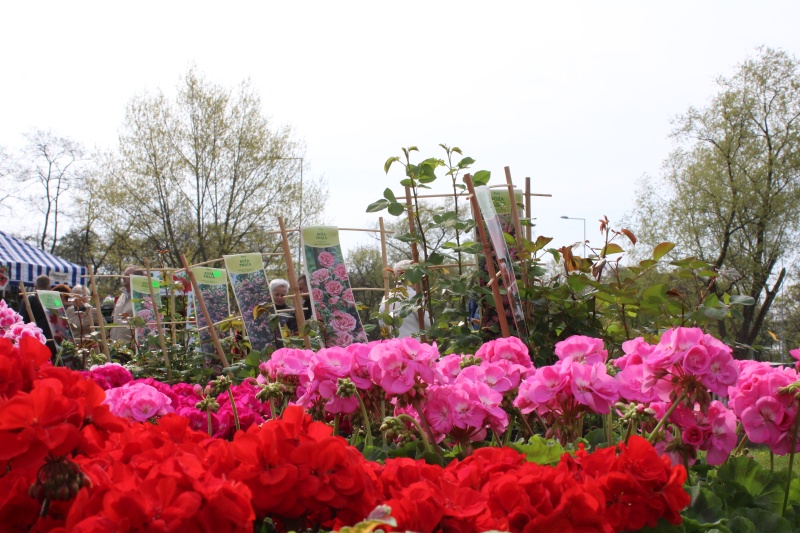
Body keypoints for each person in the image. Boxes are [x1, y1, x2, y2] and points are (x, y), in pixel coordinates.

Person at [379, 260, 431, 338]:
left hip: (392, 343)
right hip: (413, 343)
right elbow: (428, 323)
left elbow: (382, 325)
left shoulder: (386, 297)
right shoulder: (415, 296)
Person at [18, 274, 56, 358]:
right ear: (49, 287)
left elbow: (21, 320)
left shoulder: (29, 299)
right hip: (51, 339)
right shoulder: (54, 300)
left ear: (35, 286)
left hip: (33, 337)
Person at [110, 265, 136, 345]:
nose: (124, 277)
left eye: (127, 275)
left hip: (130, 346)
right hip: (115, 345)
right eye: (124, 275)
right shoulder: (121, 296)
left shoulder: (140, 298)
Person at [269, 278, 293, 344]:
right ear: (271, 294)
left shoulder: (291, 311)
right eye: (276, 294)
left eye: (282, 295)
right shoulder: (266, 310)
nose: (279, 297)